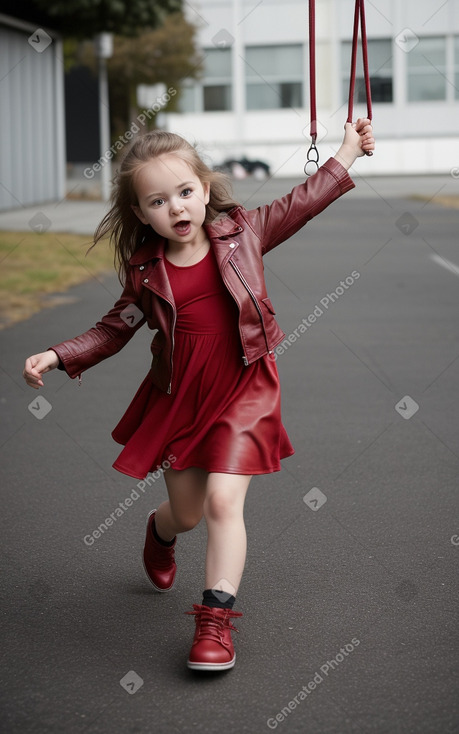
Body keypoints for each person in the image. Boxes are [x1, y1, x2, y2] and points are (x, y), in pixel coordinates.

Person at [23, 120, 375, 672]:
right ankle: (160, 532)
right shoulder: (146, 272)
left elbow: (302, 202)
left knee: (221, 503)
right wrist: (60, 353)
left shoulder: (245, 233)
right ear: (142, 214)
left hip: (246, 388)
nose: (177, 208)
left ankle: (214, 623)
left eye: (185, 192)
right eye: (158, 201)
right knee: (187, 514)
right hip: (181, 398)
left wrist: (347, 153)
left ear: (205, 190)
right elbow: (115, 329)